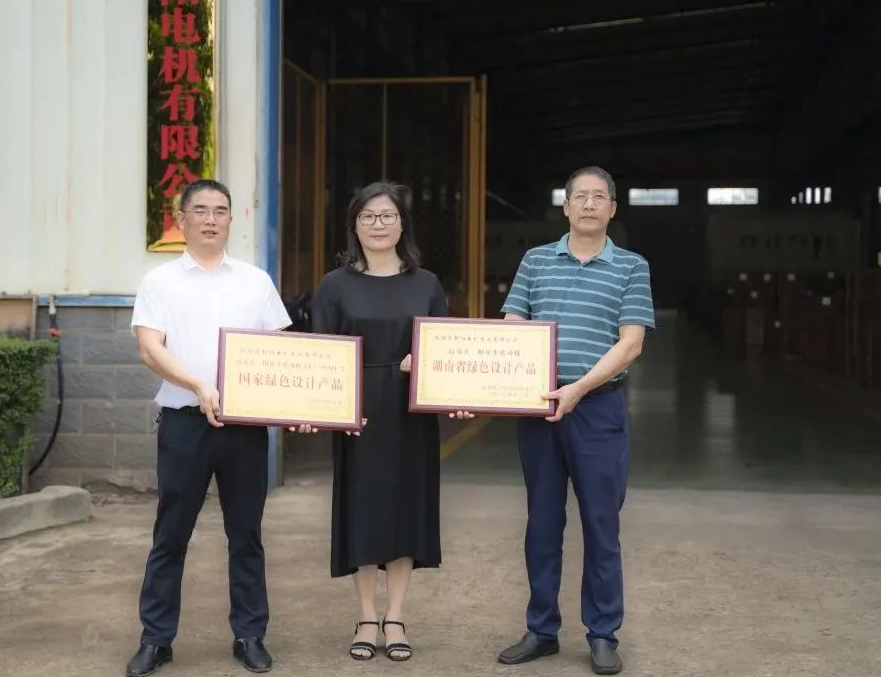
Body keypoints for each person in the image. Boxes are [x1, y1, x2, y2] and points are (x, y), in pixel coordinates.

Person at [291, 181, 472, 662]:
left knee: (405, 508)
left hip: (410, 413)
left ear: (401, 225)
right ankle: (366, 616)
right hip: (359, 414)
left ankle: (396, 616)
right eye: (368, 216)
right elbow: (321, 354)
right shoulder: (334, 285)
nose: (378, 224)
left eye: (387, 216)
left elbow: (446, 350)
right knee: (364, 510)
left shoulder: (426, 283)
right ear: (354, 225)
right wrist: (315, 410)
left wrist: (436, 374)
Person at [126, 179, 292, 677]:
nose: (211, 219)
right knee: (170, 535)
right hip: (185, 425)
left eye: (221, 210)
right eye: (200, 210)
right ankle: (156, 639)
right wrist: (198, 386)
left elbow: (280, 352)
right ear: (182, 220)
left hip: (243, 429)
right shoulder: (160, 281)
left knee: (246, 535)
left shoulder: (255, 281)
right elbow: (149, 349)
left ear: (231, 220)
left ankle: (250, 635)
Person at [496, 166, 654, 675]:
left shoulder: (631, 266)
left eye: (598, 197)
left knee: (601, 525)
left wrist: (579, 389)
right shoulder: (535, 260)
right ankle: (541, 629)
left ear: (612, 208)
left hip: (598, 410)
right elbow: (513, 325)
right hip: (539, 406)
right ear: (565, 207)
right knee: (542, 523)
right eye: (579, 196)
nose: (588, 204)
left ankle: (603, 633)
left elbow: (631, 343)